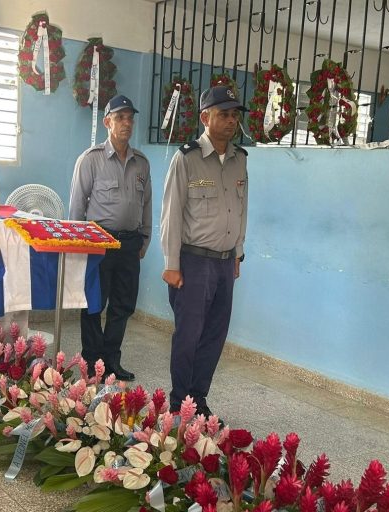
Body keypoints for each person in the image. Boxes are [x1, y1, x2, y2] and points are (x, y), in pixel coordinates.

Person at [159, 86, 248, 418]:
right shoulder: (187, 158)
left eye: (235, 115)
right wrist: (171, 263)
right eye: (224, 114)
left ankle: (198, 399)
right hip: (193, 261)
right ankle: (179, 404)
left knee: (214, 334)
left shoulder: (240, 160)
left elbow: (242, 209)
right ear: (205, 117)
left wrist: (237, 253)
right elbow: (171, 213)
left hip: (225, 263)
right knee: (189, 335)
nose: (231, 121)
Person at [69, 95, 152, 382]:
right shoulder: (90, 159)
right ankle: (92, 360)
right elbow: (76, 206)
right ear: (107, 122)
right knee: (94, 303)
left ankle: (111, 360)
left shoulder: (141, 163)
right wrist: (78, 246)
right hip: (98, 243)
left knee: (123, 305)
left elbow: (147, 204)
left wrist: (144, 240)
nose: (126, 123)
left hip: (129, 244)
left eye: (130, 118)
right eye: (120, 118)